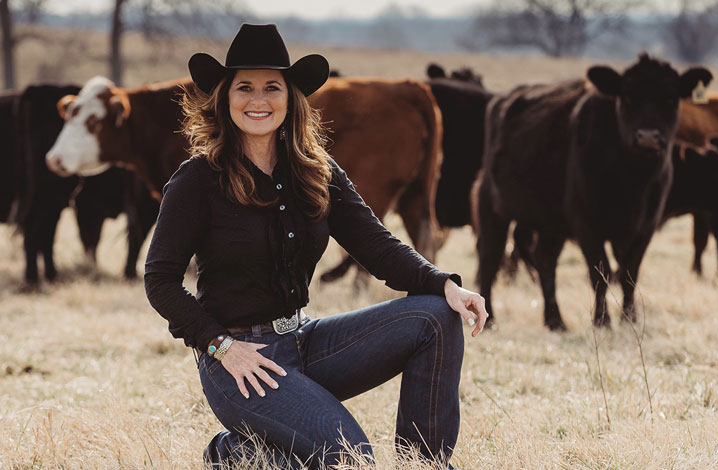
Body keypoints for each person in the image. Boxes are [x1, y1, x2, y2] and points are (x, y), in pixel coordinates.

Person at [144, 23, 488, 469]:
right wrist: (221, 346)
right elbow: (160, 280)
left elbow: (378, 246)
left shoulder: (315, 170)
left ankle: (423, 464)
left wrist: (445, 284)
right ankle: (233, 453)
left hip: (305, 340)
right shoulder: (196, 179)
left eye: (273, 88)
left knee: (435, 316)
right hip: (239, 363)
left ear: (291, 99)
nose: (259, 100)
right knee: (350, 459)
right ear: (225, 97)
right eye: (244, 87)